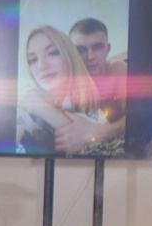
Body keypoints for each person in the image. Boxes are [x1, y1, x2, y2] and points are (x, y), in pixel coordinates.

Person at [17, 25, 124, 157]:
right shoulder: (23, 111)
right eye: (32, 60)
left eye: (52, 53)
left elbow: (108, 152)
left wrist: (48, 112)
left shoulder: (93, 109)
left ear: (70, 56)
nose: (41, 66)